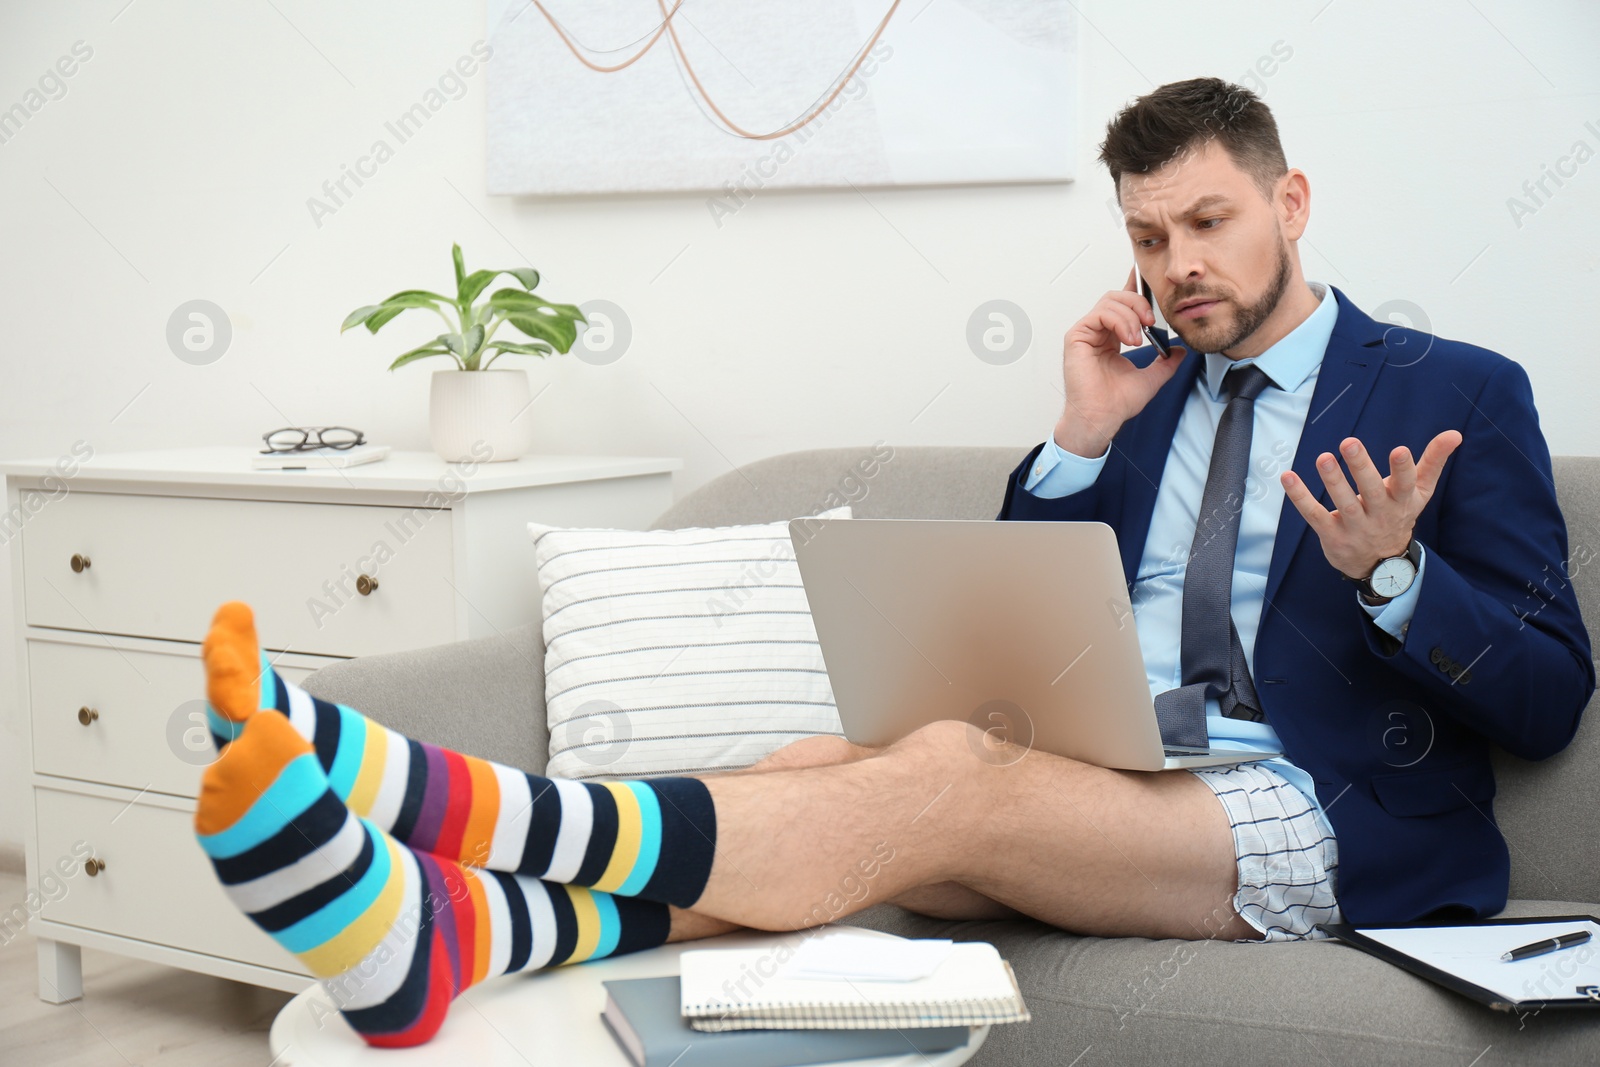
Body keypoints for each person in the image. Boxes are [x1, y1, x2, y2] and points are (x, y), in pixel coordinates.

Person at [191, 78, 1592, 1047]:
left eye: (1208, 222)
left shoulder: (1449, 389)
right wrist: (1074, 444)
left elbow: (1548, 696)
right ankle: (448, 941)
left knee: (943, 778)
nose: (1177, 265)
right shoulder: (1141, 390)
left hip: (1311, 806)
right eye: (1147, 236)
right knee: (819, 771)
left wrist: (1399, 578)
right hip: (1123, 766)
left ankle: (431, 795)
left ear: (1289, 201)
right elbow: (1019, 633)